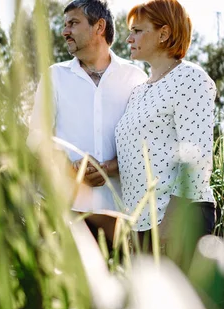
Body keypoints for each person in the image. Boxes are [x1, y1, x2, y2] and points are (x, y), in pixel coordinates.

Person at [29, 0, 147, 243]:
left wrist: (110, 167)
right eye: (64, 25)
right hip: (64, 211)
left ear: (99, 26)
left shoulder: (135, 78)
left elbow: (145, 143)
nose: (65, 31)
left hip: (120, 214)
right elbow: (37, 138)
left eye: (73, 23)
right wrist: (70, 169)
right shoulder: (54, 76)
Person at [115, 0, 217, 260]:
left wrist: (170, 224)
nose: (129, 38)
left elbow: (196, 158)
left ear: (164, 33)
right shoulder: (138, 92)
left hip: (178, 219)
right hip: (141, 224)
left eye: (138, 31)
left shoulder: (190, 78)